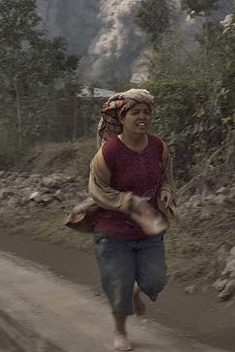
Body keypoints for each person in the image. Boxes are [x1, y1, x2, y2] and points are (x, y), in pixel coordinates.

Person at [65, 88, 178, 351]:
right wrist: (128, 202)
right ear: (122, 118)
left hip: (148, 231)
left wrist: (166, 192)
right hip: (112, 231)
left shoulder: (159, 147)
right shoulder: (108, 152)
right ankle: (120, 332)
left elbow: (167, 177)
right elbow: (97, 190)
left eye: (146, 113)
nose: (142, 117)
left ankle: (135, 291)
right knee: (118, 283)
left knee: (156, 279)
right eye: (135, 112)